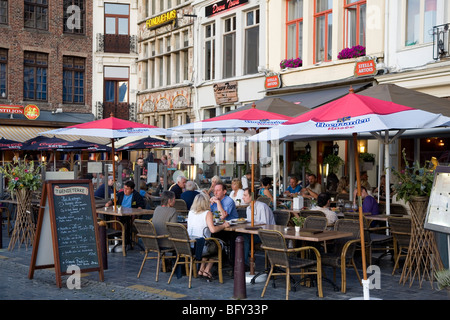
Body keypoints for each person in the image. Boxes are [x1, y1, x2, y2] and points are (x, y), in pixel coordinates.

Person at [187, 193, 230, 280]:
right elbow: (213, 230)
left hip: (190, 245)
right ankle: (207, 270)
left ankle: (201, 269)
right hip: (202, 247)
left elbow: (217, 219)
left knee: (209, 243)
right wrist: (224, 226)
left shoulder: (191, 212)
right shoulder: (207, 213)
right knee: (218, 245)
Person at [241, 188, 275, 267]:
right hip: (255, 233)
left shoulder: (262, 206)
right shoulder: (248, 208)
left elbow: (265, 225)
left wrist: (251, 224)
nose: (243, 197)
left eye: (245, 195)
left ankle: (244, 264)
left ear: (252, 196)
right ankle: (242, 262)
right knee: (239, 236)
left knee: (244, 238)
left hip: (267, 234)